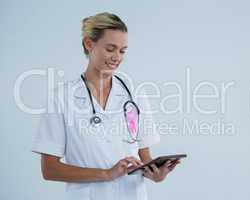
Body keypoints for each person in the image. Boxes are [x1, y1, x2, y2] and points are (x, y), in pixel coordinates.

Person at [31, 12, 180, 200]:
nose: (117, 57)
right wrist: (106, 174)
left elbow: (144, 156)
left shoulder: (135, 94)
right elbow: (50, 170)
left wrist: (156, 173)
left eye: (122, 50)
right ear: (89, 44)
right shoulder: (62, 97)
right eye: (110, 48)